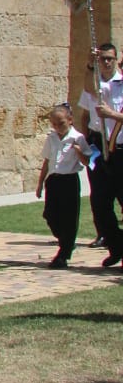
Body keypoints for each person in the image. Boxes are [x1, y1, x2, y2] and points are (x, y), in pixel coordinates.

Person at [77, 42, 123, 267]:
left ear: (116, 60)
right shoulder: (94, 83)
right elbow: (85, 113)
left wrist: (112, 114)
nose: (106, 62)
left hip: (121, 149)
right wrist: (88, 64)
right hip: (98, 146)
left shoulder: (121, 83)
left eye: (109, 59)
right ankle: (116, 246)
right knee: (100, 203)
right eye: (102, 58)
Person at [36, 103, 91, 267]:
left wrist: (79, 151)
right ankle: (65, 240)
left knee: (69, 217)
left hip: (69, 180)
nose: (58, 127)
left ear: (70, 120)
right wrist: (40, 184)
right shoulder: (51, 138)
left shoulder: (78, 137)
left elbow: (88, 161)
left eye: (61, 123)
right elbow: (46, 161)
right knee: (50, 215)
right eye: (54, 124)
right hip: (54, 180)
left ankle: (63, 254)